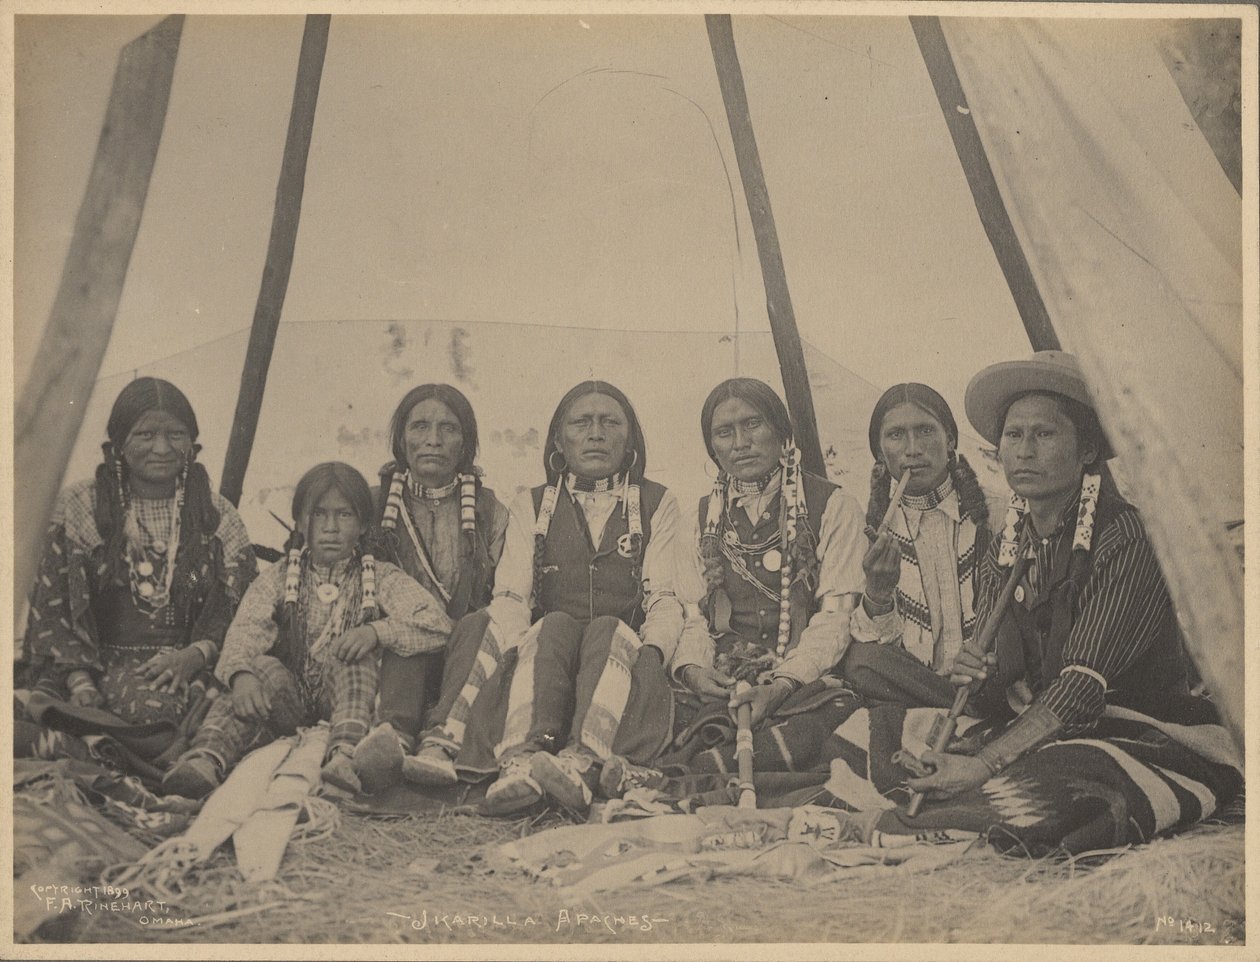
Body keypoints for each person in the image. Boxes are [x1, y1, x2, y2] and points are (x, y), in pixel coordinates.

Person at [906, 351, 1205, 801]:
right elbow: (1003, 682)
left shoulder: (1125, 536)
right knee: (899, 733)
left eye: (1044, 434)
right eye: (1014, 435)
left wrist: (984, 764)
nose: (1025, 451)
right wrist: (977, 673)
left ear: (1088, 450)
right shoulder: (1005, 546)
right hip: (1043, 726)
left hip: (1134, 728)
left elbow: (1082, 686)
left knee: (1061, 788)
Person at [431, 381, 684, 816]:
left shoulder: (656, 502)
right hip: (550, 655)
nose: (596, 434)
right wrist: (518, 650)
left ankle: (582, 763)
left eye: (610, 422)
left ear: (631, 439)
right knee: (545, 625)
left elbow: (663, 597)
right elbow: (512, 595)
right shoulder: (531, 504)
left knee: (606, 629)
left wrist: (653, 652)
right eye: (580, 423)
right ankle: (519, 761)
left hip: (621, 654)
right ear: (558, 441)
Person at [624, 377, 867, 785]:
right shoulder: (699, 519)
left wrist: (784, 683)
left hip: (802, 679)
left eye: (753, 424)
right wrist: (693, 671)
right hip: (724, 678)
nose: (740, 442)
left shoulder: (833, 506)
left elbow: (836, 618)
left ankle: (716, 776)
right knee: (673, 722)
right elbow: (694, 617)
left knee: (820, 726)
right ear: (712, 447)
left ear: (781, 431)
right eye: (725, 432)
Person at [161, 462, 452, 799]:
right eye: (318, 515)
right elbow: (245, 631)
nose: (331, 528)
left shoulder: (380, 577)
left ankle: (344, 758)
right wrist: (240, 674)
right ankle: (204, 759)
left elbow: (437, 623)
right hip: (290, 699)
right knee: (259, 668)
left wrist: (376, 632)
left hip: (348, 701)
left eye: (344, 515)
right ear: (300, 521)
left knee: (354, 661)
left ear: (362, 525)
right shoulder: (279, 576)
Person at [21, 378, 256, 745]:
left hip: (195, 662)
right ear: (118, 443)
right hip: (97, 662)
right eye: (145, 435)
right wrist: (80, 681)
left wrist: (195, 655)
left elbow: (239, 606)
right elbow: (53, 603)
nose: (161, 448)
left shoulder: (216, 514)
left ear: (192, 445)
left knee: (225, 713)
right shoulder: (81, 506)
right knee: (150, 716)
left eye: (175, 435)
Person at [350, 385, 509, 791]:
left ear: (466, 442)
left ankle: (439, 742)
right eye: (420, 426)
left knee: (479, 622)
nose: (433, 440)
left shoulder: (491, 511)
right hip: (394, 662)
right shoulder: (370, 504)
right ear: (401, 438)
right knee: (406, 634)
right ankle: (392, 738)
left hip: (465, 659)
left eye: (448, 428)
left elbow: (506, 599)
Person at [840, 383, 1003, 709]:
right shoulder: (868, 530)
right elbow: (876, 644)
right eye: (896, 435)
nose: (912, 449)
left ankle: (967, 704)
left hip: (988, 674)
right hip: (917, 679)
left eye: (926, 431)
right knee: (861, 661)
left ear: (950, 440)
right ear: (880, 452)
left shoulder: (996, 513)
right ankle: (959, 706)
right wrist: (878, 592)